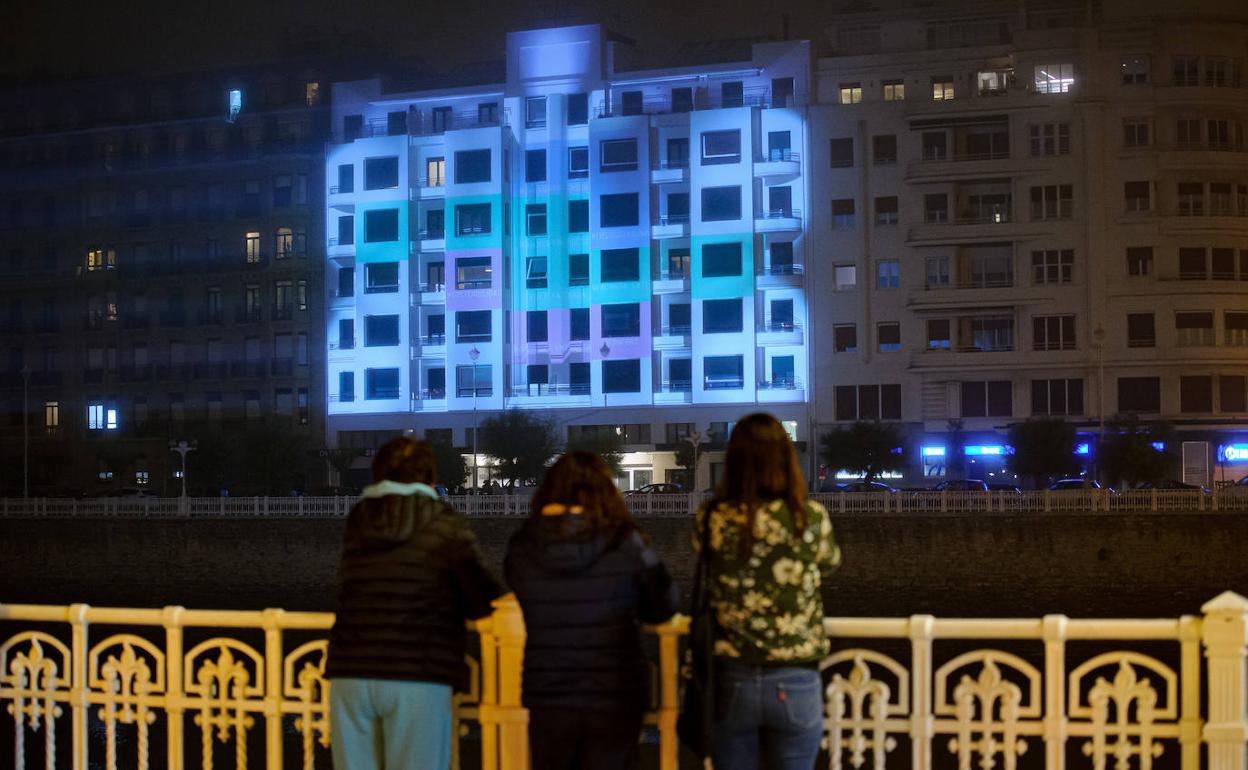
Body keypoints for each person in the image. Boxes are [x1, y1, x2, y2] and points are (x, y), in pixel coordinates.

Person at [326, 437, 502, 770]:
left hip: (350, 669)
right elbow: (480, 597)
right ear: (429, 477)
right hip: (417, 670)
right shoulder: (443, 520)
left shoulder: (360, 519)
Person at [504, 451, 679, 770]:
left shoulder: (524, 546)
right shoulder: (625, 541)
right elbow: (663, 606)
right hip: (614, 692)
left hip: (548, 693)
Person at [695, 413, 841, 770]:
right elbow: (828, 563)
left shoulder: (714, 517)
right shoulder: (811, 517)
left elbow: (707, 559)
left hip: (733, 676)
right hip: (797, 675)